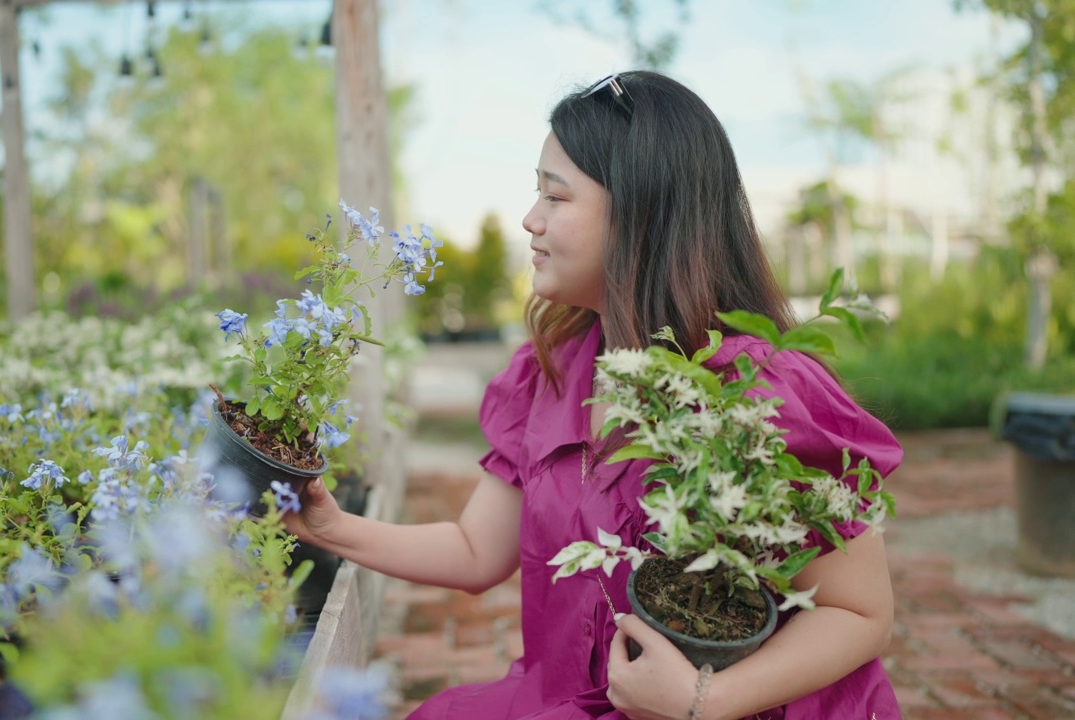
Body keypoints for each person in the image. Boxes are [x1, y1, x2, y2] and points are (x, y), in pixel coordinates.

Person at [283, 70, 903, 720]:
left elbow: (861, 611)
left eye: (556, 197)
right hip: (573, 699)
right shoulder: (550, 370)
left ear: (641, 211)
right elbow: (476, 550)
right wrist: (330, 525)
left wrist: (703, 698)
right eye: (536, 194)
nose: (529, 219)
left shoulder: (757, 392)